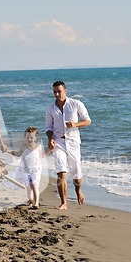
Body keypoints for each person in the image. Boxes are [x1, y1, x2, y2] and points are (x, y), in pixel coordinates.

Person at [45, 81, 91, 210]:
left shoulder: (76, 104)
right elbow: (48, 127)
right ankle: (63, 203)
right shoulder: (50, 108)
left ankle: (78, 191)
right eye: (54, 92)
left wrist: (75, 124)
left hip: (73, 142)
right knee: (61, 172)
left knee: (76, 173)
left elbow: (88, 121)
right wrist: (50, 139)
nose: (57, 94)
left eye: (59, 91)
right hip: (58, 141)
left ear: (65, 91)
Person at [6, 126, 52, 209]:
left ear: (35, 137)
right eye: (27, 137)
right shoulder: (23, 146)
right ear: (25, 137)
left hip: (36, 169)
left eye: (31, 137)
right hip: (25, 169)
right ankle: (30, 201)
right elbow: (18, 154)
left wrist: (50, 150)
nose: (29, 139)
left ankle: (36, 203)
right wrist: (7, 151)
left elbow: (41, 156)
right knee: (28, 188)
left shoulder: (38, 146)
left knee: (35, 185)